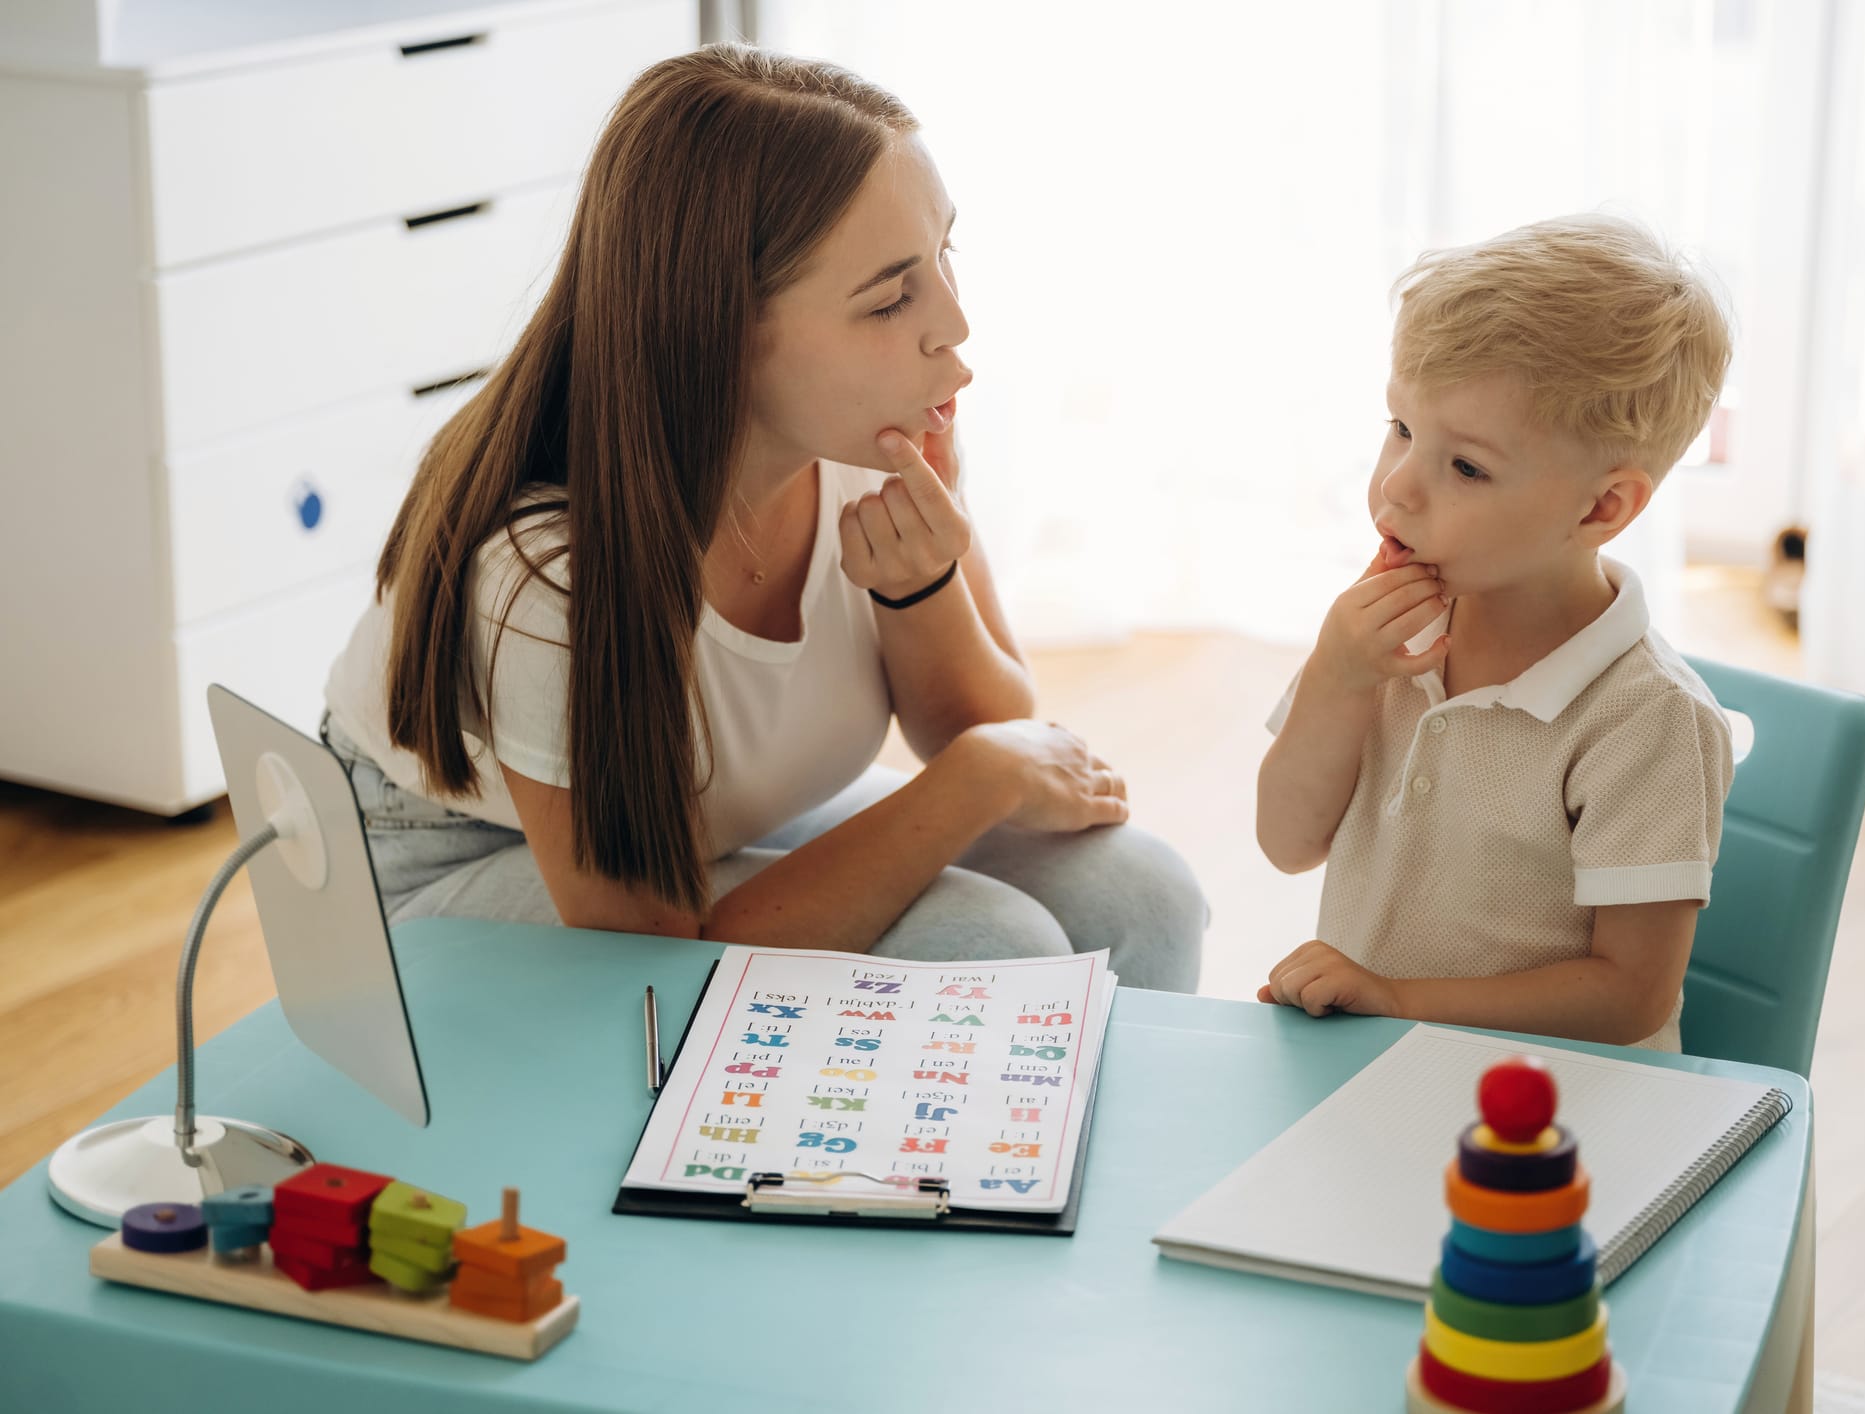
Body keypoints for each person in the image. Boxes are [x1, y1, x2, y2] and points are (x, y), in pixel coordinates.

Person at [319, 44, 1203, 992]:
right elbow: (658, 964)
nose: (953, 321)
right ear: (720, 329)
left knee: (1140, 896)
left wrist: (923, 590)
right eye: (891, 296)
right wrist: (974, 782)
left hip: (721, 819)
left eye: (944, 255)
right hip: (466, 865)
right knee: (985, 952)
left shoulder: (871, 437)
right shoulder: (546, 576)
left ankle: (1062, 1140)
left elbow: (982, 727)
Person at [1255, 214, 1734, 1048]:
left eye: (1465, 466)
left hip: (1554, 1108)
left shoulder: (1647, 721)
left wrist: (1395, 996)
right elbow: (1287, 844)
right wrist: (1335, 680)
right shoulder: (1382, 636)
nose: (1396, 489)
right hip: (1381, 1062)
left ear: (1600, 508)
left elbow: (1628, 999)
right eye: (1400, 429)